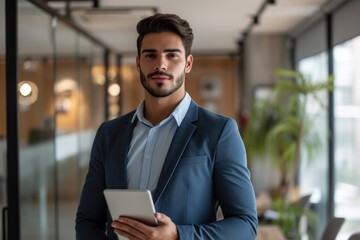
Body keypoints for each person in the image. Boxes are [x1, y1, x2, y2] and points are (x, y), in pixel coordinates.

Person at [75, 13, 258, 240]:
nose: (160, 64)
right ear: (138, 63)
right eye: (150, 55)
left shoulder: (219, 131)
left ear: (188, 63)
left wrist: (178, 236)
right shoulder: (109, 133)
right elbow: (88, 221)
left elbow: (245, 225)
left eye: (172, 55)